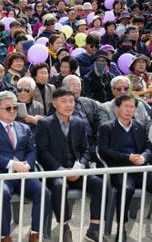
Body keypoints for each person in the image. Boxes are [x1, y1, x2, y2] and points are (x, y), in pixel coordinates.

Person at [36, 88, 106, 242]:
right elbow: (42, 151)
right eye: (63, 101)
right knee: (59, 186)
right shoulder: (45, 123)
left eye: (71, 101)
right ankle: (65, 226)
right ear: (54, 104)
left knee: (100, 184)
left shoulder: (79, 122)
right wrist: (61, 170)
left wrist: (79, 167)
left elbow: (85, 149)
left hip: (76, 171)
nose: (68, 105)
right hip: (55, 172)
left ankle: (94, 228)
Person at [0, 91, 50, 242]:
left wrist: (26, 165)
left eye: (14, 107)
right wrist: (13, 165)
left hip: (23, 174)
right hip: (1, 175)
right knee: (2, 193)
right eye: (8, 108)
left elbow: (32, 150)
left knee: (43, 192)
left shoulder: (23, 128)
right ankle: (5, 235)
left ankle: (35, 233)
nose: (12, 111)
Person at [98, 94, 152, 242]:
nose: (129, 110)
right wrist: (127, 157)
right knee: (126, 189)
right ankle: (121, 227)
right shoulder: (107, 127)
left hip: (140, 168)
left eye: (132, 107)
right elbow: (104, 151)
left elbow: (149, 147)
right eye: (126, 106)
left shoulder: (139, 126)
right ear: (117, 108)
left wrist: (144, 157)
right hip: (120, 169)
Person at [61, 75, 101, 162]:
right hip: (73, 144)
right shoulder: (59, 105)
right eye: (73, 85)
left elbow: (99, 121)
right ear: (64, 88)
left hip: (92, 142)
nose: (77, 88)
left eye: (79, 85)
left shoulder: (90, 102)